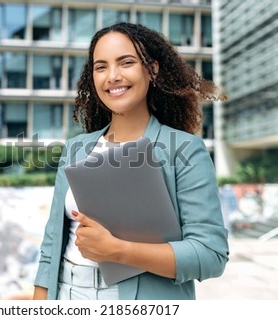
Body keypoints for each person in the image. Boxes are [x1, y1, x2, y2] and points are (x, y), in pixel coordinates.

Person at [33, 22, 229, 300]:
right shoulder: (76, 148)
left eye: (126, 63)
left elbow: (210, 255)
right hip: (67, 292)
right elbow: (52, 245)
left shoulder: (184, 149)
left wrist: (117, 250)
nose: (112, 76)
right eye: (101, 67)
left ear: (153, 70)